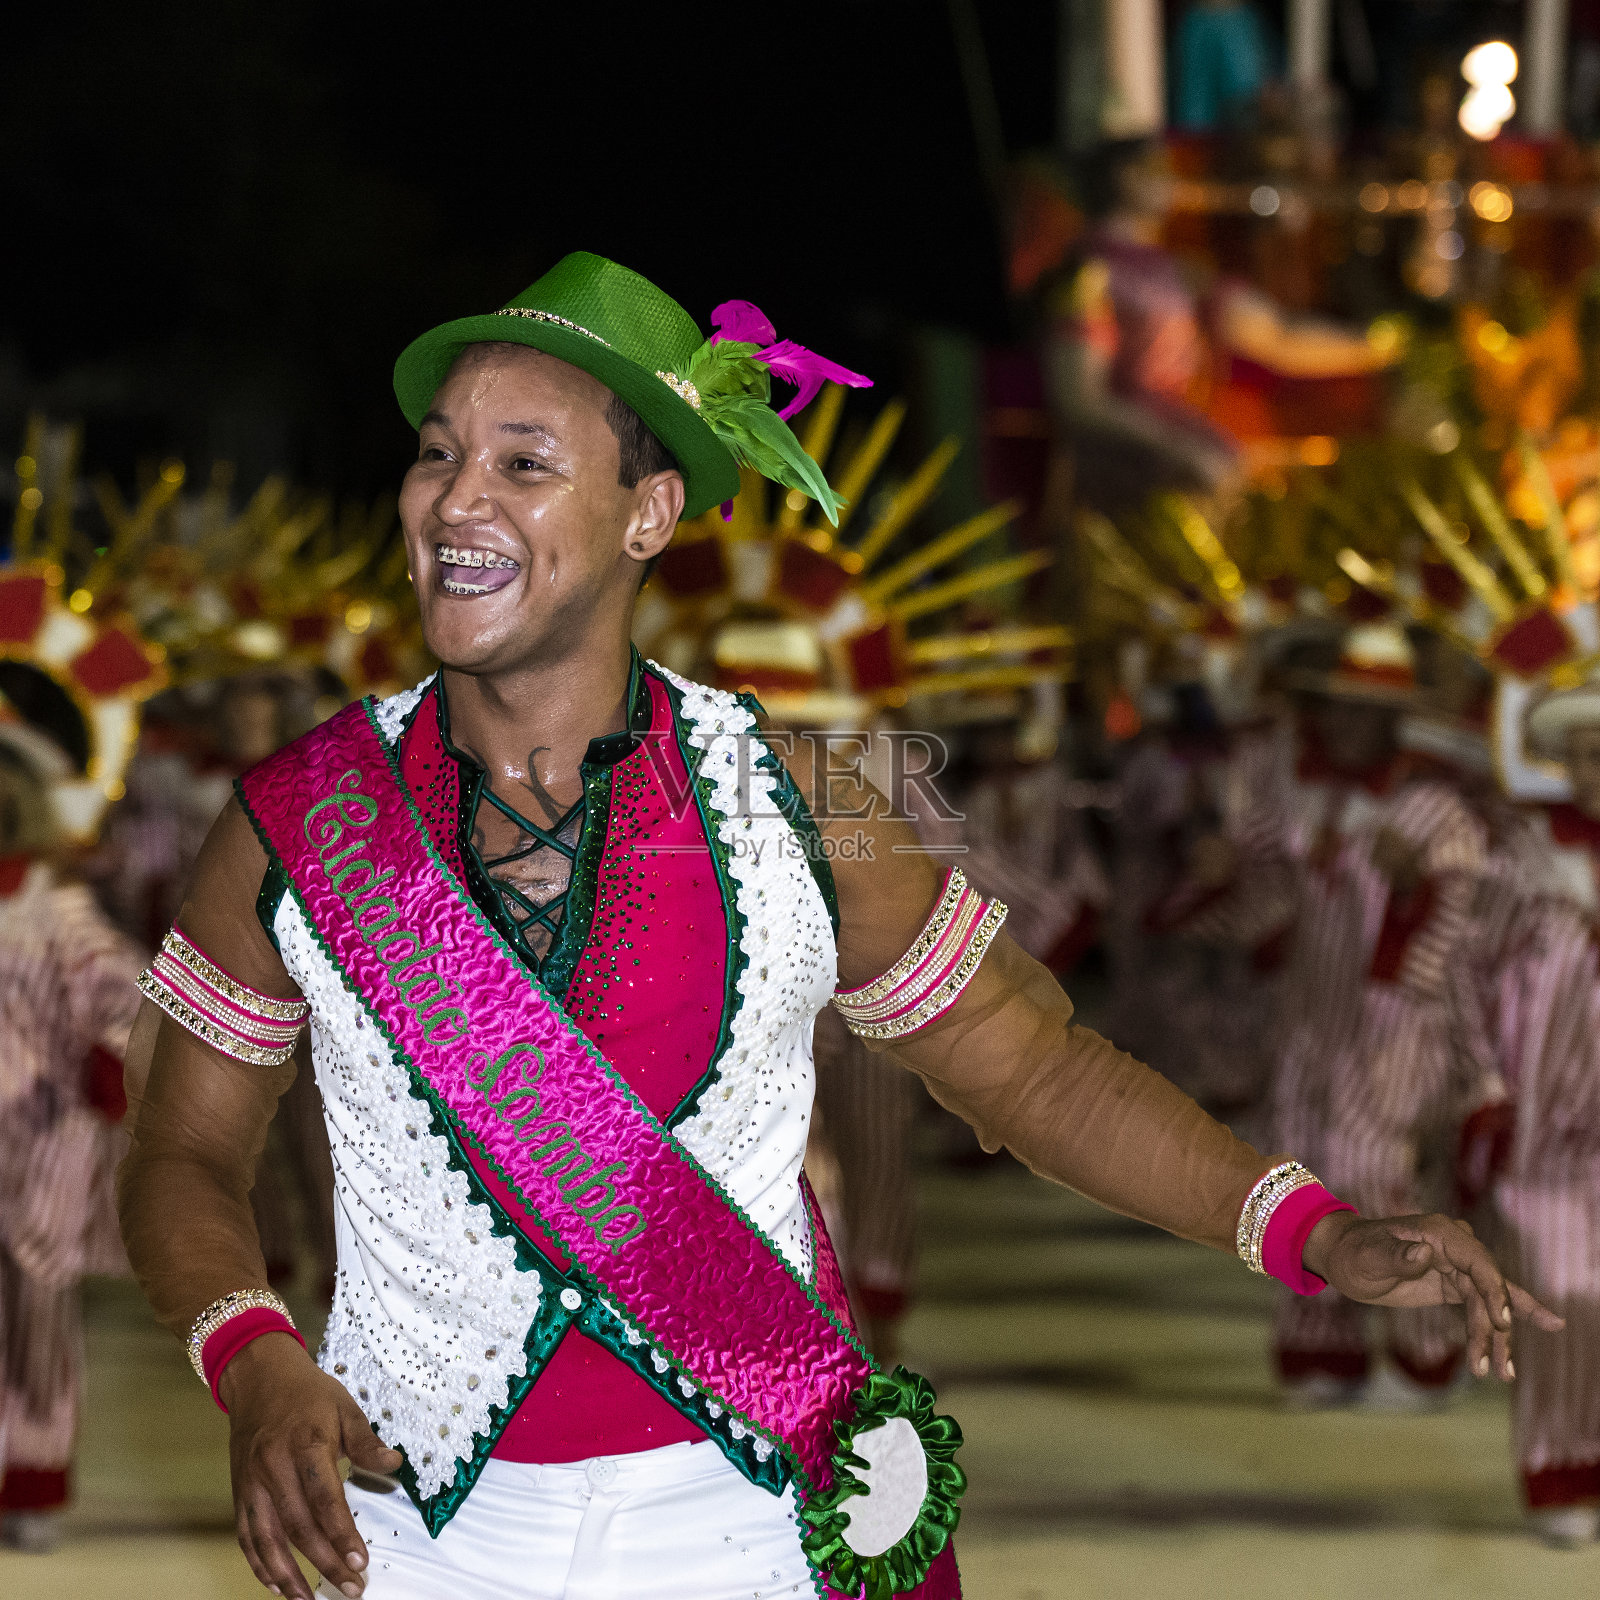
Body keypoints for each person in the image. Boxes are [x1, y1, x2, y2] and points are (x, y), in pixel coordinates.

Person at [118, 253, 1555, 1600]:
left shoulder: (801, 803)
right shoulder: (297, 819)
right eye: (437, 453)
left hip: (745, 1527)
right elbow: (180, 1150)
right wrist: (252, 1353)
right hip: (409, 1537)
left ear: (648, 514)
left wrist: (1313, 1231)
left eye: (523, 463)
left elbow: (1034, 1072)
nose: (455, 499)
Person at [1252, 626, 1490, 1408]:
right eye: (1337, 708)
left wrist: (1416, 891)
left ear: (1396, 720)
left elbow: (1463, 926)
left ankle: (1427, 1351)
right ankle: (1324, 1349)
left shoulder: (1433, 808)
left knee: (1374, 1176)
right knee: (1298, 1179)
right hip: (1312, 1019)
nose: (1347, 724)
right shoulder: (1308, 793)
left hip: (1395, 1027)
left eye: (1365, 711)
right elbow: (1272, 900)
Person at [1452, 674, 1600, 1545]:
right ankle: (1562, 1471)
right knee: (1561, 1294)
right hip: (1546, 1129)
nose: (1596, 770)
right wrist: (1484, 1086)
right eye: (1584, 755)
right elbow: (1464, 972)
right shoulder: (1524, 859)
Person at [0, 719, 144, 1549]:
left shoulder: (56, 908)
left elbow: (121, 1001)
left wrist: (108, 1069)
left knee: (38, 1313)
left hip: (43, 1138)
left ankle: (32, 1477)